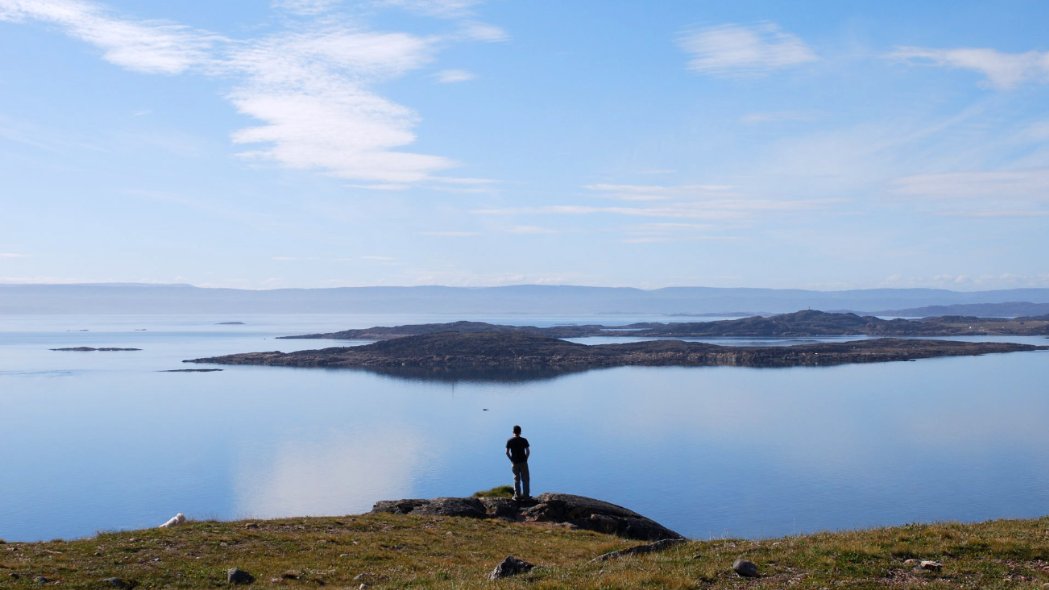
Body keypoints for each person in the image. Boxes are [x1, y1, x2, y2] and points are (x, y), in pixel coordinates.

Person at [505, 425, 530, 500]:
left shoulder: (509, 441)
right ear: (520, 432)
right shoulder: (524, 440)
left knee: (516, 479)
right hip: (523, 462)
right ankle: (526, 496)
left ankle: (517, 496)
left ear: (513, 432)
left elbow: (507, 452)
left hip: (515, 462)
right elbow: (528, 451)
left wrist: (511, 460)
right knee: (525, 479)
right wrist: (526, 459)